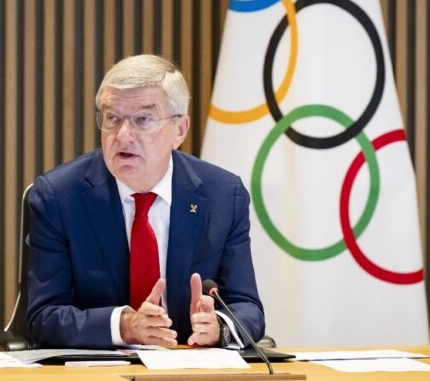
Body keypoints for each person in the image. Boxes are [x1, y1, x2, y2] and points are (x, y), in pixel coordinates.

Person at [26, 54, 265, 349]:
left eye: (143, 119)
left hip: (189, 369)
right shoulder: (59, 198)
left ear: (180, 130)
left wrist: (220, 328)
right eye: (112, 118)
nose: (123, 135)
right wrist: (125, 326)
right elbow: (43, 318)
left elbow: (247, 307)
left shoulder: (223, 196)